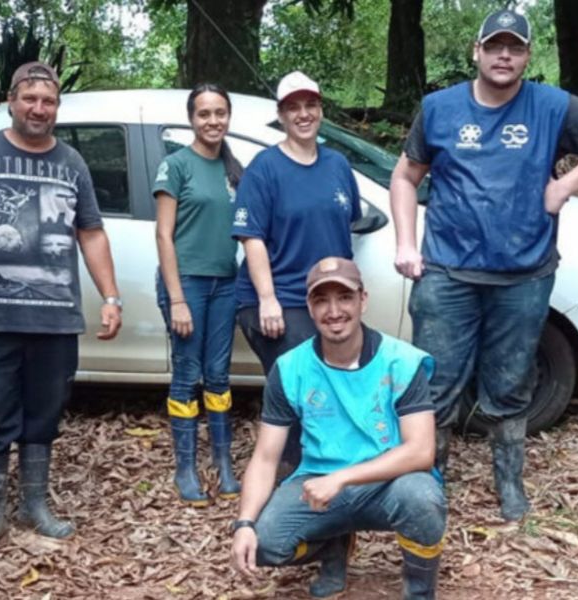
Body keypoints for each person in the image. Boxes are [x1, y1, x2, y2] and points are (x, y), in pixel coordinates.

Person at [389, 9, 578, 521]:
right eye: (495, 46)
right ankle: (427, 487)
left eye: (516, 47)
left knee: (510, 384)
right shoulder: (439, 109)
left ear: (527, 56)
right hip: (446, 274)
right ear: (477, 51)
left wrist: (564, 186)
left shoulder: (550, 106)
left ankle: (509, 483)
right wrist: (405, 243)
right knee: (435, 385)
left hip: (523, 276)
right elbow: (403, 177)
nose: (504, 55)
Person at [0, 62, 123, 556]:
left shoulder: (72, 163)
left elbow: (91, 232)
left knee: (44, 414)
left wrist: (110, 295)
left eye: (48, 101)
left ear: (56, 107)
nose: (39, 109)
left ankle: (34, 506)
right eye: (30, 99)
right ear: (11, 100)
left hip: (56, 318)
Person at [230, 257, 445, 599]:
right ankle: (333, 546)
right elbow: (265, 458)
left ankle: (419, 590)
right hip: (318, 485)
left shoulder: (400, 361)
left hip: (386, 482)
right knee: (265, 543)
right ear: (309, 307)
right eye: (321, 300)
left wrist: (342, 478)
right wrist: (244, 524)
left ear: (363, 299)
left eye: (344, 297)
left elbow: (420, 451)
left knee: (422, 498)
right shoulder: (290, 368)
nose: (334, 311)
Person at [231, 71, 362, 472]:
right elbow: (251, 237)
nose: (303, 114)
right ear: (281, 115)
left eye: (311, 105)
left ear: (320, 109)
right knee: (302, 390)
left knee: (331, 386)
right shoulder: (265, 168)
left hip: (325, 299)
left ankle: (325, 475)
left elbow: (347, 228)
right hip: (278, 300)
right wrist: (268, 299)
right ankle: (290, 485)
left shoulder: (338, 165)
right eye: (293, 108)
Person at [153, 84, 244, 506]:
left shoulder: (233, 168)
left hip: (226, 283)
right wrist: (176, 299)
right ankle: (185, 468)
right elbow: (164, 235)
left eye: (220, 113)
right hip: (186, 282)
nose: (213, 121)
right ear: (192, 118)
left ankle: (223, 465)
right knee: (188, 375)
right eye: (204, 113)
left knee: (220, 375)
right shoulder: (176, 166)